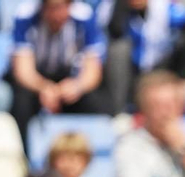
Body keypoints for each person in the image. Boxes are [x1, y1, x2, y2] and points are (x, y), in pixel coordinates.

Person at [8, 0, 109, 136]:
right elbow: (23, 71)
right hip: (36, 81)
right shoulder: (25, 15)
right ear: (42, 7)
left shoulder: (84, 17)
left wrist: (77, 86)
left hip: (69, 79)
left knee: (95, 102)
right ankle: (24, 151)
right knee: (21, 102)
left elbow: (93, 71)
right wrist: (44, 88)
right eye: (52, 8)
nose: (57, 15)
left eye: (62, 8)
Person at [101, 0, 185, 114]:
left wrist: (183, 76)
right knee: (118, 50)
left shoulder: (167, 9)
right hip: (132, 71)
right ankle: (118, 111)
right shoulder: (115, 8)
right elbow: (114, 31)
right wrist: (121, 7)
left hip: (161, 66)